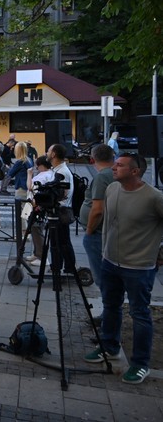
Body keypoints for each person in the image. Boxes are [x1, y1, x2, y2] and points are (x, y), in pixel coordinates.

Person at [83, 153, 163, 384]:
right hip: (110, 261)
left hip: (139, 267)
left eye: (120, 165)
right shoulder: (112, 189)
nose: (114, 168)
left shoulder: (153, 197)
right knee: (111, 306)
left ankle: (140, 364)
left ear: (135, 171)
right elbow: (109, 222)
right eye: (115, 163)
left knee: (139, 314)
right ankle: (109, 346)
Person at [77, 144, 115, 290]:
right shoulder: (112, 174)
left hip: (97, 231)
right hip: (105, 229)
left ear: (92, 159)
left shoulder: (102, 177)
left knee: (101, 275)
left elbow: (97, 209)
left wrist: (89, 230)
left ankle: (109, 310)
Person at [46, 143, 76, 274]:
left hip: (60, 211)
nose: (47, 153)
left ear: (53, 154)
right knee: (62, 241)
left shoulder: (62, 172)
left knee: (60, 242)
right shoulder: (58, 170)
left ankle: (63, 267)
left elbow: (61, 194)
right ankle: (63, 266)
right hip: (59, 210)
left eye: (48, 151)